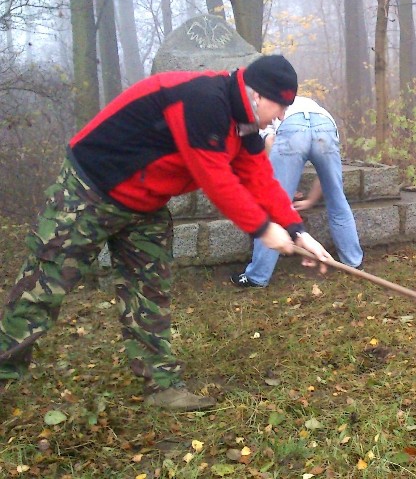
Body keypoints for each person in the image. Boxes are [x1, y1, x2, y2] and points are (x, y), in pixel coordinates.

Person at [0, 55, 332, 410]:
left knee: (149, 290)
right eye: (280, 106)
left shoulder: (246, 122)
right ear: (259, 95)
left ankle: (161, 387)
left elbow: (258, 178)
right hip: (90, 188)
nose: (281, 116)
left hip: (144, 202)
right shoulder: (204, 100)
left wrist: (298, 232)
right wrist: (264, 229)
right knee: (44, 286)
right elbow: (216, 179)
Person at [231, 95, 363, 287]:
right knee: (337, 199)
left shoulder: (268, 112)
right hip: (325, 127)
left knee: (272, 206)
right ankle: (354, 263)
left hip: (292, 129)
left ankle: (257, 276)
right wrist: (311, 199)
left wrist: (282, 190)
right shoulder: (315, 107)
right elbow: (326, 179)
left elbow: (270, 145)